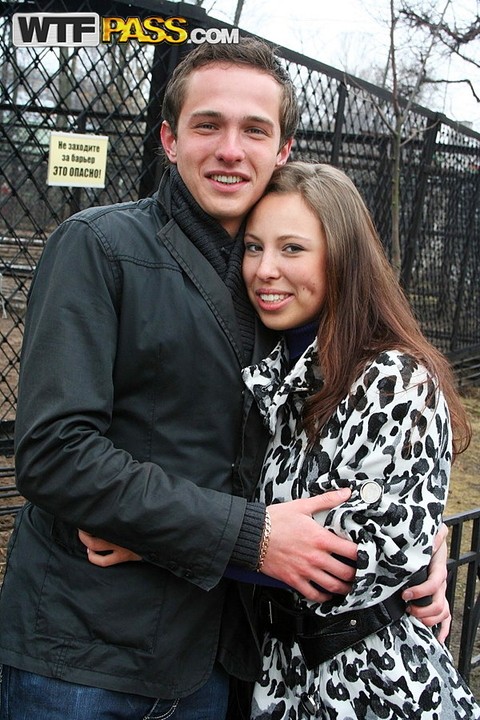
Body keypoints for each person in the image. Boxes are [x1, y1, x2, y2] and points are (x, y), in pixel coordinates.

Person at [0, 38, 449, 720]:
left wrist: (420, 547)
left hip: (230, 661)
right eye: (208, 125)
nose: (230, 149)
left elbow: (362, 440)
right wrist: (249, 538)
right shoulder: (99, 247)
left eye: (255, 130)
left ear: (284, 149)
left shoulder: (287, 285)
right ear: (170, 139)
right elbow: (54, 452)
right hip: (90, 656)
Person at [238, 161, 477, 719]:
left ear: (342, 258)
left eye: (292, 249)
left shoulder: (392, 379)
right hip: (279, 674)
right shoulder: (274, 367)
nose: (265, 270)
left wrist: (165, 544)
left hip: (367, 680)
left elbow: (350, 555)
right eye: (253, 247)